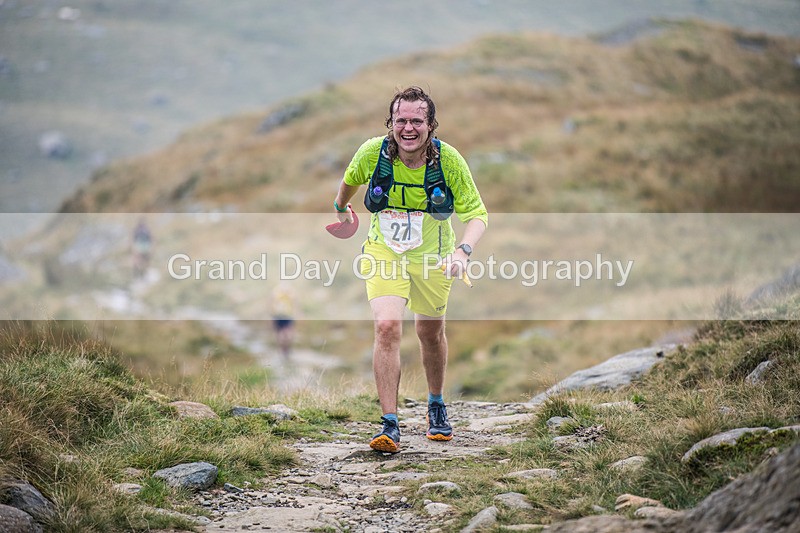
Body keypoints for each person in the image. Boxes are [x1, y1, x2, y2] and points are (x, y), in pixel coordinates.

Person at [333, 86, 488, 453]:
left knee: (429, 333)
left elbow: (477, 215)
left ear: (431, 125)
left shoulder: (448, 161)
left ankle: (436, 404)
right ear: (391, 123)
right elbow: (350, 181)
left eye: (417, 121)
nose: (408, 128)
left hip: (434, 256)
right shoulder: (373, 152)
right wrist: (341, 209)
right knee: (387, 327)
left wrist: (463, 251)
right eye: (401, 120)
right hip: (384, 251)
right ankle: (390, 424)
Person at [271, 282, 296, 360]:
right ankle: (283, 351)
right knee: (283, 334)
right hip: (280, 316)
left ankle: (285, 350)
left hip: (286, 316)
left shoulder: (277, 291)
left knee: (285, 334)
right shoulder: (277, 291)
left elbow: (294, 303)